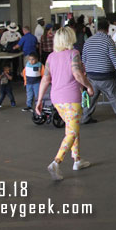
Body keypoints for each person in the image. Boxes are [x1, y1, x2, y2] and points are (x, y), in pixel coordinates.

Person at [36, 27, 94, 181]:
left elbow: (45, 79)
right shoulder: (73, 54)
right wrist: (88, 86)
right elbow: (77, 73)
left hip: (56, 99)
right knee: (72, 131)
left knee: (72, 128)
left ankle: (77, 160)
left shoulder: (50, 57)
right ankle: (57, 162)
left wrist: (40, 99)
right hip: (71, 98)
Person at [81, 19, 116, 124]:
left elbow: (84, 59)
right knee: (113, 96)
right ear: (107, 29)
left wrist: (86, 72)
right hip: (106, 75)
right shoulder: (108, 41)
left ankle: (85, 117)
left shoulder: (88, 41)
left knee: (91, 98)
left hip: (91, 76)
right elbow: (114, 57)